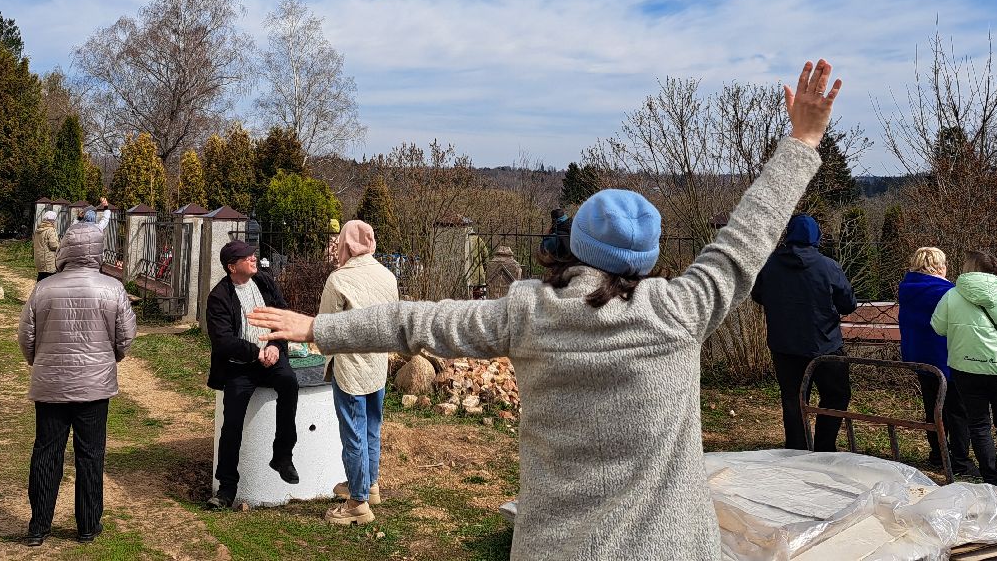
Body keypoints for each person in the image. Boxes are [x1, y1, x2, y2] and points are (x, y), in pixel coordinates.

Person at [250, 60, 840, 561]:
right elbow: (745, 238)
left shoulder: (529, 312)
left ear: (574, 245)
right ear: (647, 258)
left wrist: (318, 327)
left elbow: (417, 321)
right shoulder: (680, 310)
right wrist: (802, 142)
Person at [19, 222, 137, 546]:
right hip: (94, 387)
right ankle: (87, 525)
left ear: (66, 249)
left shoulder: (44, 288)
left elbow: (26, 335)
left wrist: (39, 361)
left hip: (51, 385)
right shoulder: (112, 288)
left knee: (47, 452)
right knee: (90, 455)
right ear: (98, 251)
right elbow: (126, 335)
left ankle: (38, 527)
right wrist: (108, 359)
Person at [932, 249, 997, 496]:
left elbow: (938, 327)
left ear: (968, 268)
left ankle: (990, 477)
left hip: (966, 368)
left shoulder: (951, 296)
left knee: (978, 424)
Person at [206, 239, 300, 508]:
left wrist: (275, 346)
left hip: (272, 355)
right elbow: (223, 340)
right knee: (232, 424)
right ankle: (226, 489)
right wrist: (256, 352)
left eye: (252, 255)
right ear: (231, 266)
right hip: (239, 366)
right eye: (246, 257)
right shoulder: (219, 296)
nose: (253, 259)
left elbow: (281, 315)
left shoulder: (265, 282)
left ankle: (282, 456)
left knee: (289, 383)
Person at [751, 214, 857, 451]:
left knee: (793, 398)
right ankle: (824, 447)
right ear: (816, 237)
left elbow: (757, 295)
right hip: (825, 344)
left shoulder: (769, 265)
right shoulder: (828, 267)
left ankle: (797, 449)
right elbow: (848, 304)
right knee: (836, 395)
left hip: (784, 345)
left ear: (788, 235)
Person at [319, 221, 399, 526]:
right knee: (372, 428)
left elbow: (325, 325)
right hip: (378, 363)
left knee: (353, 432)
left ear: (345, 244)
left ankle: (357, 503)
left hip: (350, 367)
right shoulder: (388, 276)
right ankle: (369, 484)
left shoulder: (339, 279)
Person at [897, 246, 975, 476]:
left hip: (919, 355)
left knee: (932, 406)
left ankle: (937, 452)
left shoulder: (906, 288)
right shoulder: (948, 291)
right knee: (957, 410)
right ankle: (960, 460)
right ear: (940, 266)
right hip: (947, 357)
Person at [33, 209, 60, 281]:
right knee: (49, 280)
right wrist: (60, 245)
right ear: (52, 220)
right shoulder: (51, 230)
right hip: (48, 260)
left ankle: (38, 288)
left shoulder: (38, 229)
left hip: (39, 259)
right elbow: (53, 245)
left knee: (41, 277)